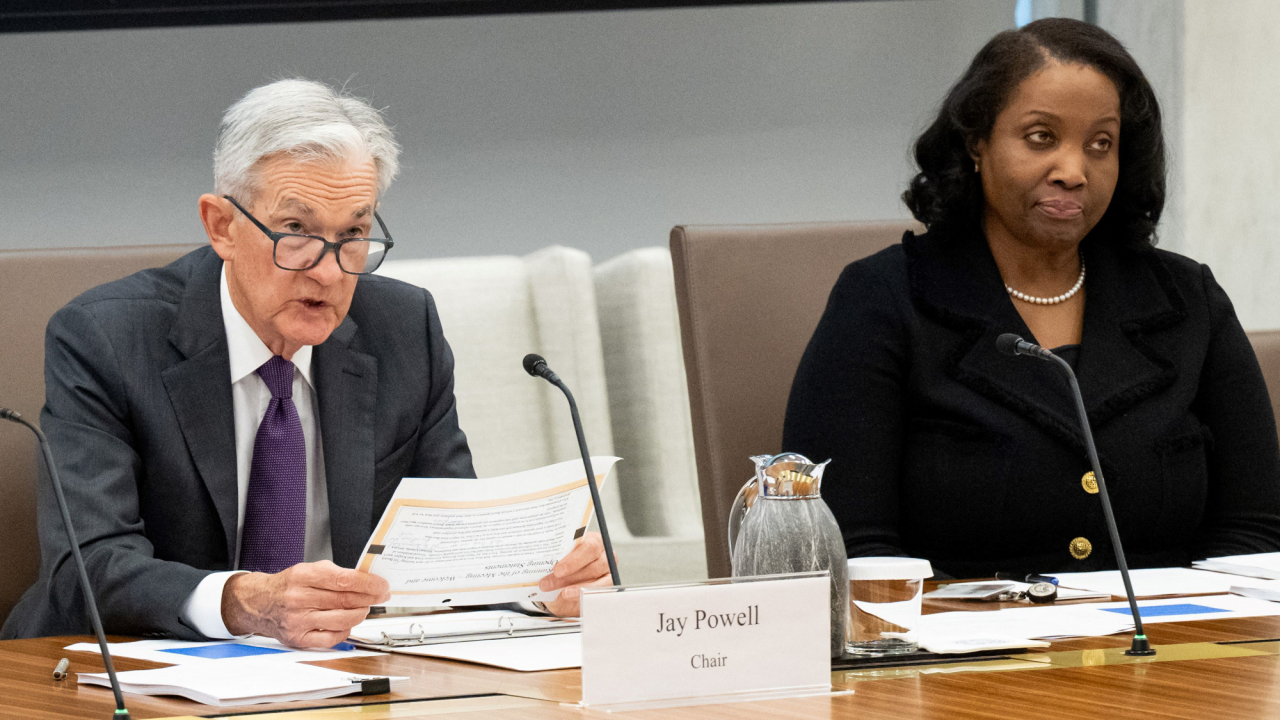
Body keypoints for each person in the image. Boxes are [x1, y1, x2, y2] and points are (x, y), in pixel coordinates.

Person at [1, 79, 611, 647]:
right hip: (120, 667)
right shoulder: (107, 338)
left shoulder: (404, 330)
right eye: (295, 230)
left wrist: (540, 588)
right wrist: (241, 603)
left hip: (334, 673)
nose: (328, 271)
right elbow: (89, 562)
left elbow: (448, 543)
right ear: (221, 226)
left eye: (353, 235)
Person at [783, 18, 1280, 579]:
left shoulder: (1190, 302)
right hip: (953, 633)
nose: (1073, 171)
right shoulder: (882, 300)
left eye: (1101, 144)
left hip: (1169, 630)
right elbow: (847, 546)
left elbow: (1255, 533)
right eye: (1041, 137)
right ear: (977, 142)